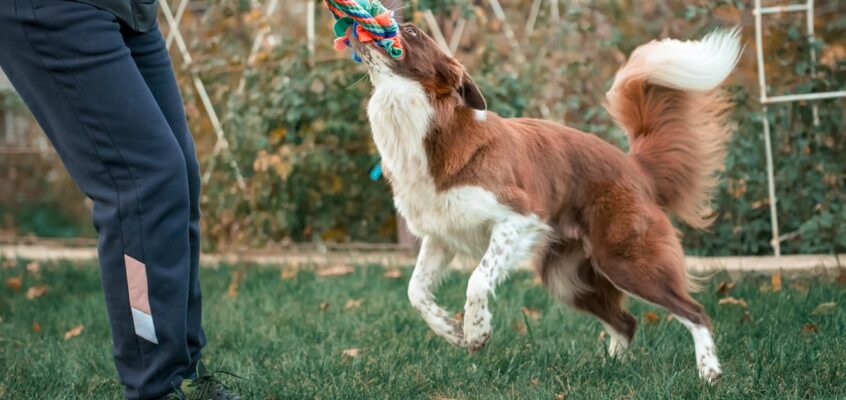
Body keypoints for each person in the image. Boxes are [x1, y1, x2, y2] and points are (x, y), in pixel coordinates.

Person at [0, 1, 241, 399]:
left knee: (178, 175)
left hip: (130, 9)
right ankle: (154, 385)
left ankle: (185, 370)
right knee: (144, 183)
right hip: (57, 9)